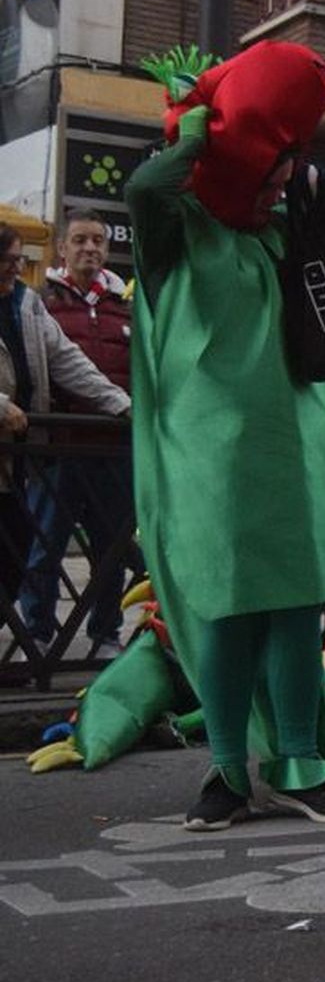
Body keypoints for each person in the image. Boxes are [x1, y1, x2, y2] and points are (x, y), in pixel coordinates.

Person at [129, 41, 325, 831]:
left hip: (296, 442)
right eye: (272, 167)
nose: (283, 180)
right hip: (210, 453)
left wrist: (314, 178)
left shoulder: (286, 226)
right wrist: (197, 137)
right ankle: (225, 770)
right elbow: (148, 185)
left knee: (291, 609)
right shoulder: (174, 232)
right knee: (225, 608)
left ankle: (299, 763)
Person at [16, 208, 140, 658]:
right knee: (45, 545)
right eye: (81, 240)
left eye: (98, 241)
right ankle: (38, 630)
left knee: (112, 548)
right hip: (61, 450)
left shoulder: (125, 305)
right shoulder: (40, 302)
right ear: (62, 248)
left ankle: (105, 633)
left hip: (115, 451)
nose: (90, 248)